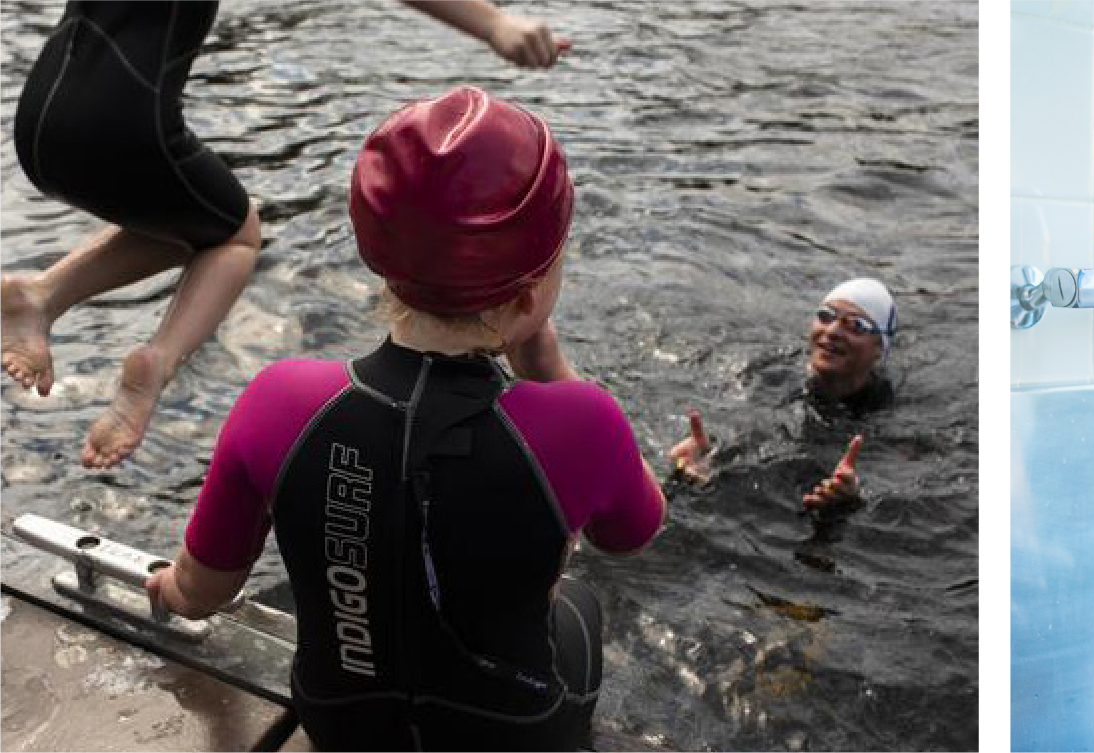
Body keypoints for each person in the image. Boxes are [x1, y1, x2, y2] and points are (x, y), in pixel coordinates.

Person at [144, 87, 665, 751]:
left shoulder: (279, 400)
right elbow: (636, 529)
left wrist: (166, 587)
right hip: (513, 735)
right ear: (533, 288)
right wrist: (552, 371)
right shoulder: (583, 420)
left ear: (380, 260)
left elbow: (203, 588)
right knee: (579, 600)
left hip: (340, 720)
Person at [2, 0, 570, 469]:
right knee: (237, 238)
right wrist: (495, 23)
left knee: (194, 228)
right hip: (123, 122)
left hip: (38, 120)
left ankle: (41, 296)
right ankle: (156, 364)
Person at [668, 278, 900, 510]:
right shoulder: (768, 376)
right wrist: (711, 458)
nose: (832, 331)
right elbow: (743, 430)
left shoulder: (884, 412)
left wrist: (852, 499)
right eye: (826, 316)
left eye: (856, 325)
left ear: (880, 348)